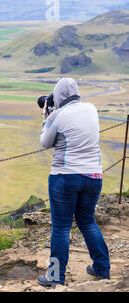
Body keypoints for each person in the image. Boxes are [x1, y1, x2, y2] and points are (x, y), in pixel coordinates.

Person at [37, 77, 110, 287]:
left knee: (60, 228)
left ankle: (55, 277)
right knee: (87, 221)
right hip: (94, 176)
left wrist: (47, 117)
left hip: (65, 177)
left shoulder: (58, 115)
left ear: (58, 96)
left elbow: (45, 142)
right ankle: (102, 268)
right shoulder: (91, 108)